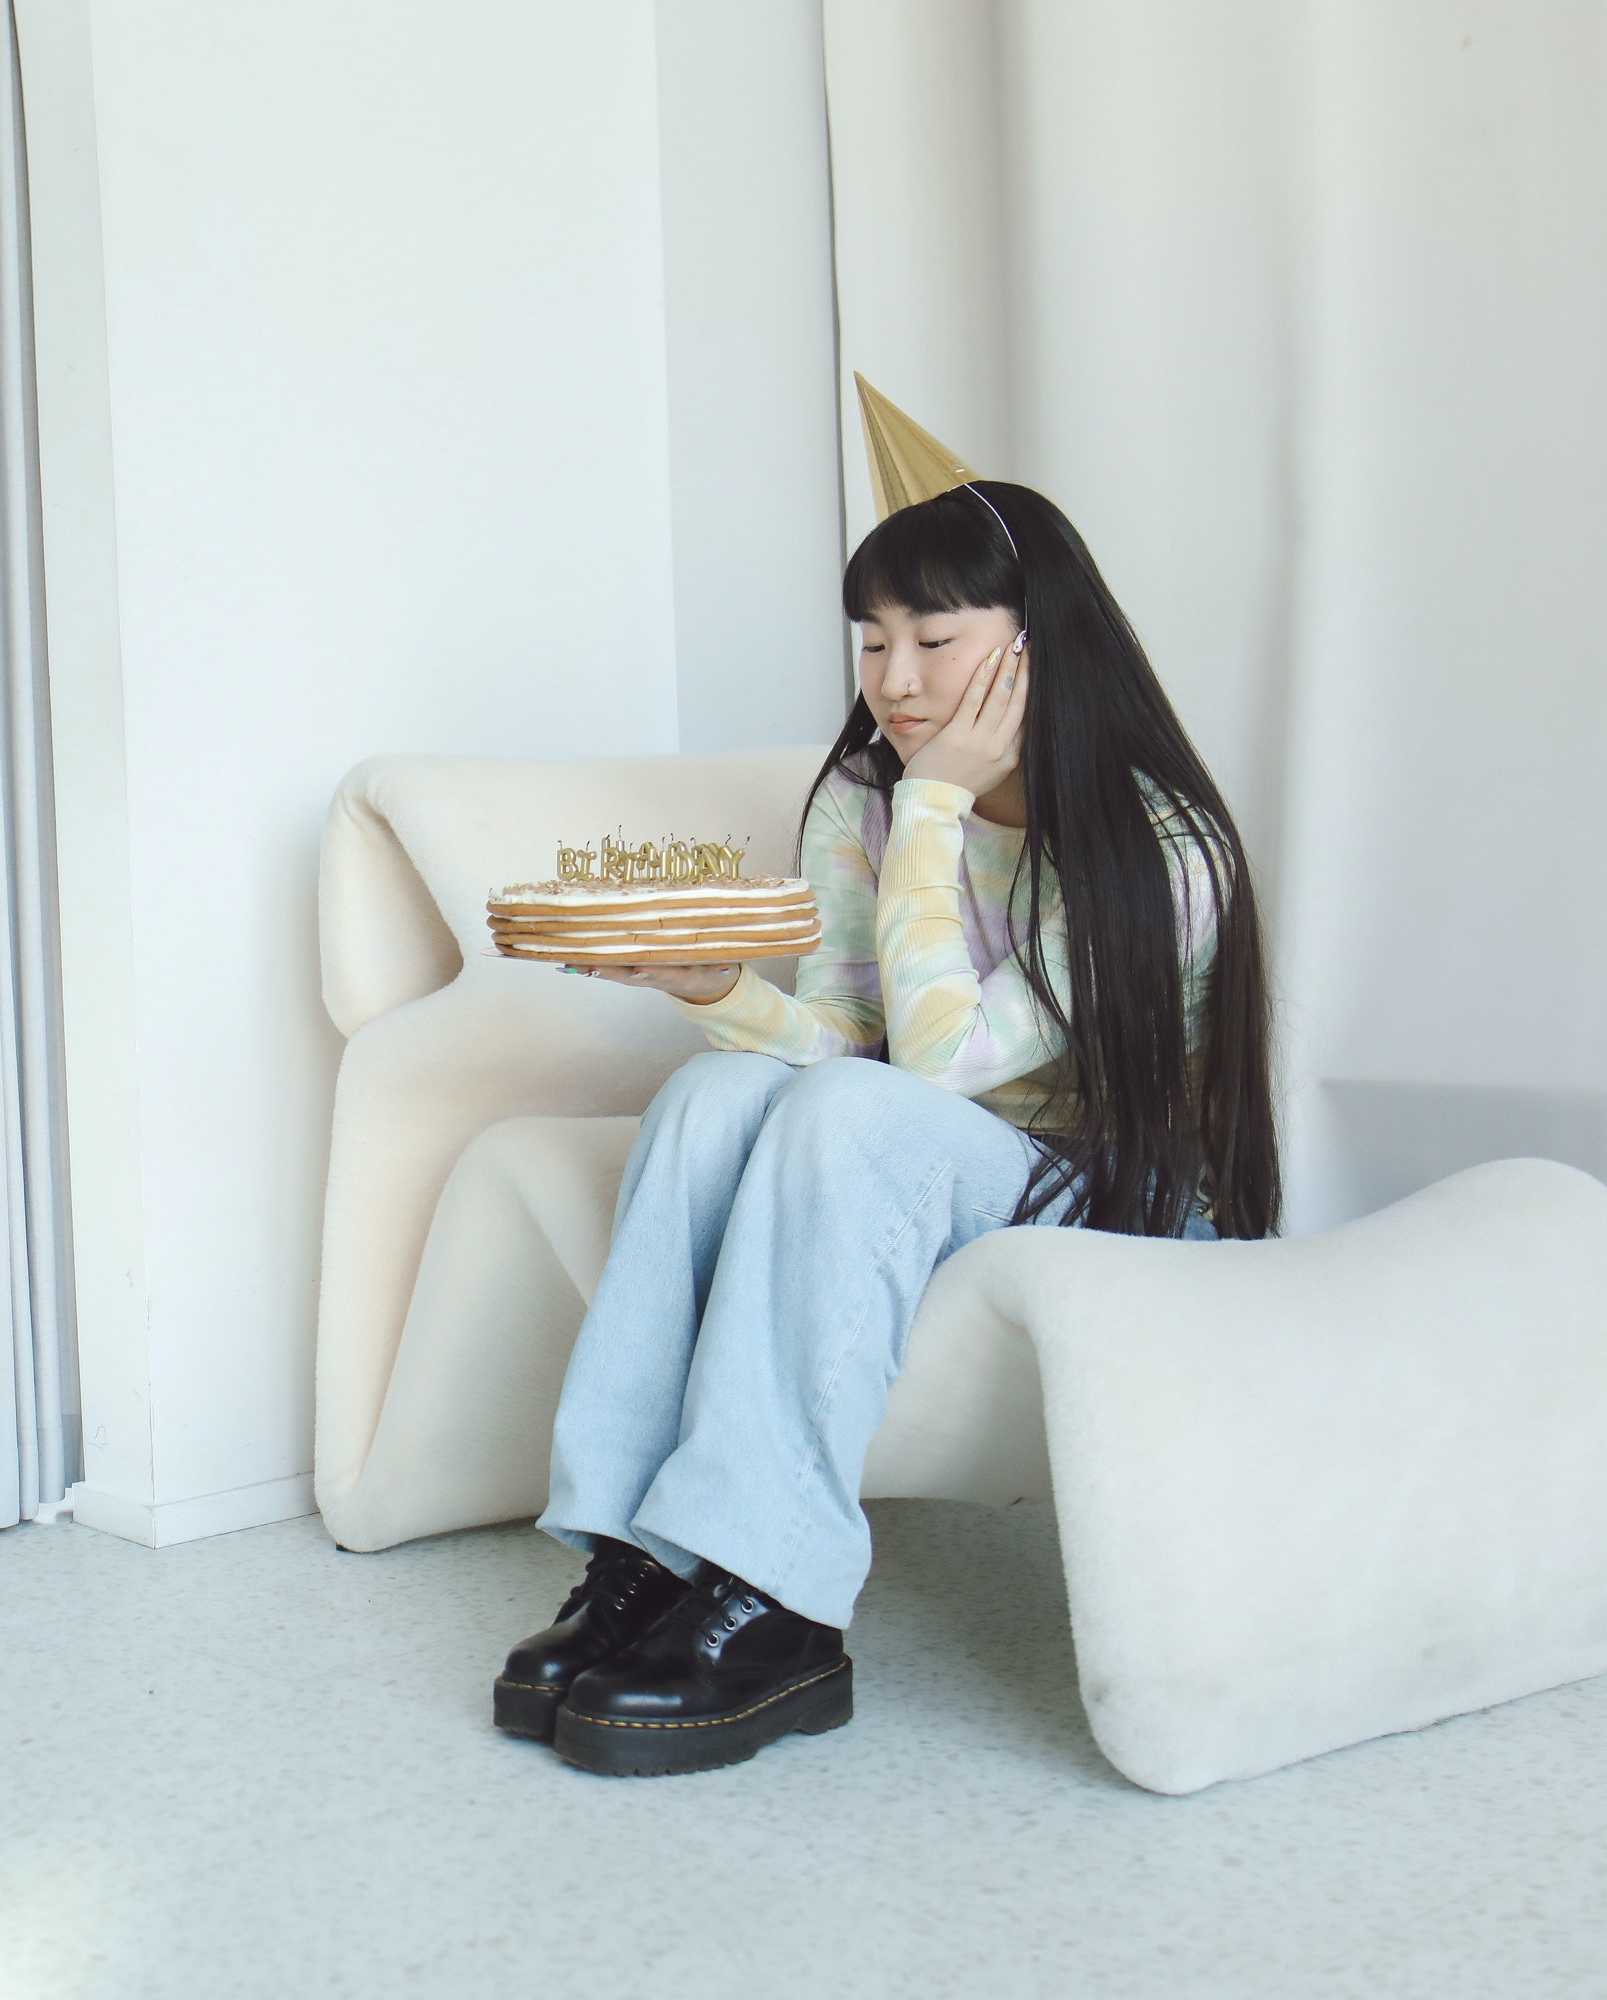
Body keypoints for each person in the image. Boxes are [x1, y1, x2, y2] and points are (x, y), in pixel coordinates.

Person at [496, 476, 1278, 1778]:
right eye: (871, 640)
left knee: (849, 1114)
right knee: (713, 1091)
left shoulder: (1162, 846)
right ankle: (648, 1554)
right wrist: (721, 994)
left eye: (935, 637)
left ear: (1034, 645)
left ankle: (779, 1602)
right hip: (921, 1149)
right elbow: (849, 1050)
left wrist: (938, 808)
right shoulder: (861, 796)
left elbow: (941, 1072)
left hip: (1111, 1197)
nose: (895, 678)